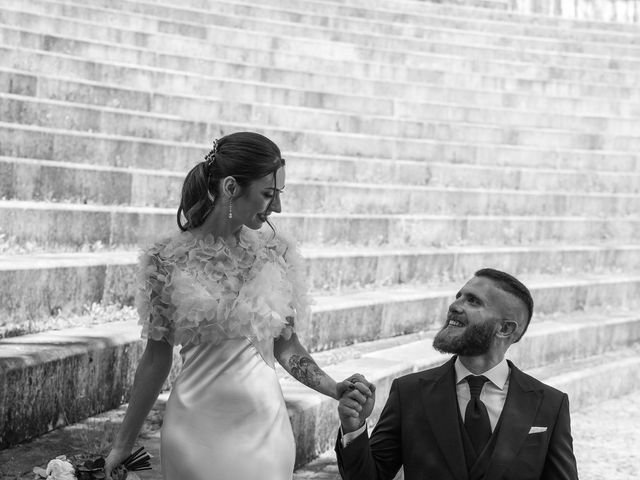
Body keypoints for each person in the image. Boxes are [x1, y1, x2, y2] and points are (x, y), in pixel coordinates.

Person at [104, 132, 366, 480]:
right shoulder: (164, 259)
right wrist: (123, 444)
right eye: (268, 194)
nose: (278, 207)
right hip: (194, 433)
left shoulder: (278, 252)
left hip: (265, 435)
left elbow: (286, 346)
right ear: (230, 187)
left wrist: (333, 387)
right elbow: (156, 358)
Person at [336, 268, 579, 480]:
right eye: (459, 297)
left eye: (473, 301)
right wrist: (354, 428)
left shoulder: (550, 404)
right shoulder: (409, 392)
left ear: (504, 329)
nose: (455, 305)